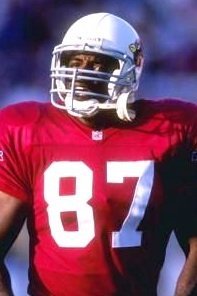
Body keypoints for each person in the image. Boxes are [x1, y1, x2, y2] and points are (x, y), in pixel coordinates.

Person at [0, 12, 196, 296]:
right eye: (74, 62)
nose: (81, 74)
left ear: (132, 69)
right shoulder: (26, 128)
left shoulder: (173, 129)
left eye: (98, 64)